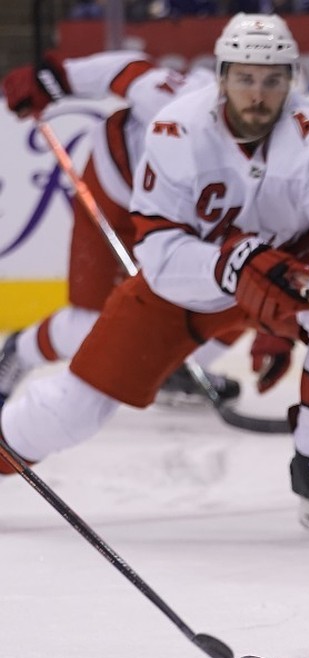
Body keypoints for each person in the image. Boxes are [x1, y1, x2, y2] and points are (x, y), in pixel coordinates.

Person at [0, 13, 309, 536]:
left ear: (292, 82)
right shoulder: (176, 124)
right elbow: (158, 258)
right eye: (245, 77)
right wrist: (53, 78)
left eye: (273, 80)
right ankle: (11, 414)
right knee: (78, 403)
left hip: (268, 265)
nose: (258, 94)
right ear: (221, 77)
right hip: (177, 265)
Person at [0, 50, 245, 409]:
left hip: (177, 213)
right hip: (113, 188)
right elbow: (123, 68)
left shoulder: (274, 152)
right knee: (93, 321)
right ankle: (21, 350)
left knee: (242, 289)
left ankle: (174, 369)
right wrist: (50, 77)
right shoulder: (174, 99)